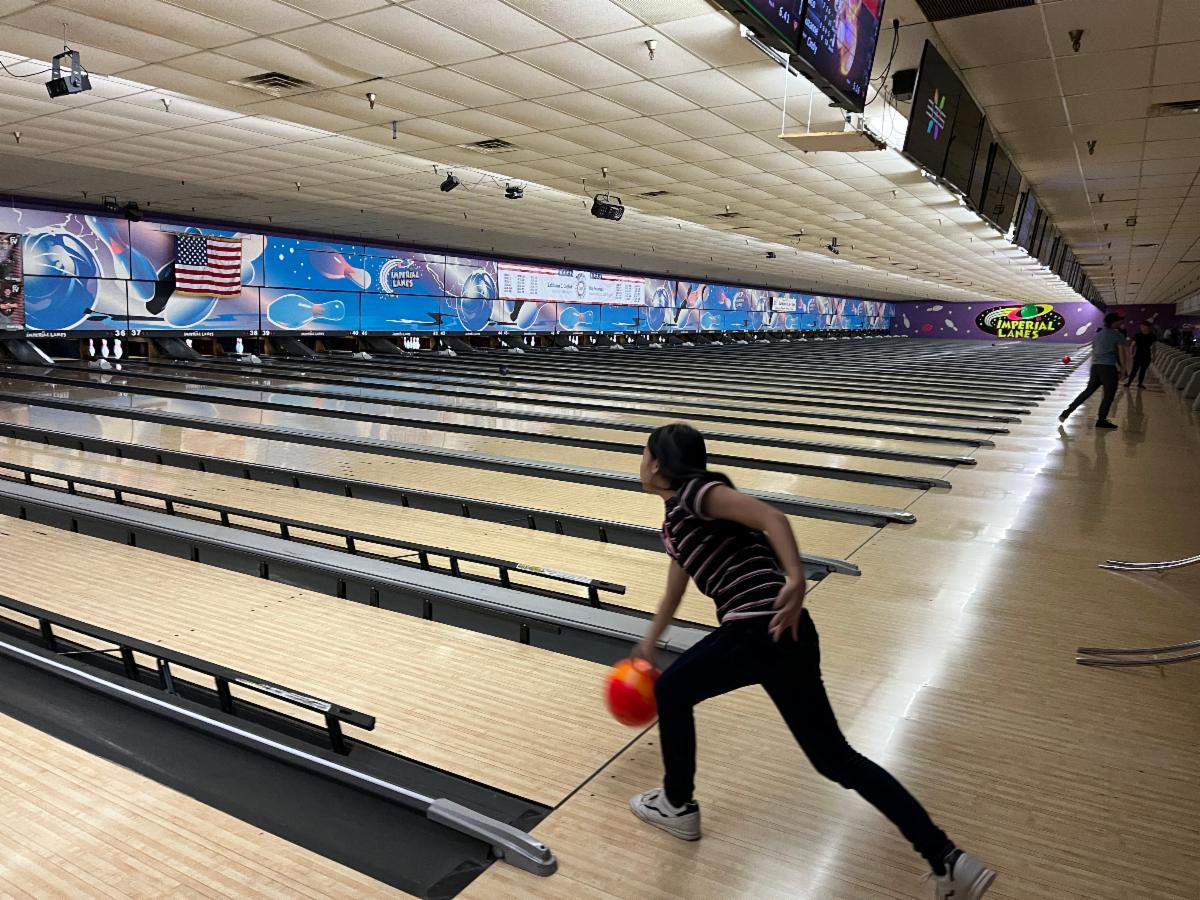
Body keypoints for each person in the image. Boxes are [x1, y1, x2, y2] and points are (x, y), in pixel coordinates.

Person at [629, 424, 996, 900]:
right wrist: (648, 644)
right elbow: (673, 592)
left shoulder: (699, 493)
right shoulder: (678, 522)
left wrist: (797, 577)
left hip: (758, 627)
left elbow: (772, 518)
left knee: (673, 690)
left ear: (658, 462)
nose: (639, 461)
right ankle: (948, 859)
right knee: (835, 759)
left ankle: (677, 804)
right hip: (789, 637)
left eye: (642, 453)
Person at [1059, 312, 1130, 429]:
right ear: (1114, 322)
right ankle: (1101, 420)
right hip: (1108, 368)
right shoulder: (1117, 335)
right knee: (1109, 395)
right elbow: (1122, 353)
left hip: (1096, 367)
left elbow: (1094, 351)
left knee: (1088, 391)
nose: (1121, 323)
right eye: (1119, 321)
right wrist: (1123, 370)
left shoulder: (1098, 334)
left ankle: (1066, 412)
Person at [1125, 322, 1156, 389]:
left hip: (1147, 355)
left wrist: (1154, 356)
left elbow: (1154, 347)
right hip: (1138, 355)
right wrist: (1131, 354)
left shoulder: (1152, 335)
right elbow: (1132, 345)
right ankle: (1129, 383)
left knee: (1143, 370)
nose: (1142, 328)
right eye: (1141, 326)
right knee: (1134, 370)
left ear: (1148, 327)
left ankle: (1140, 384)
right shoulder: (1138, 335)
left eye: (1143, 326)